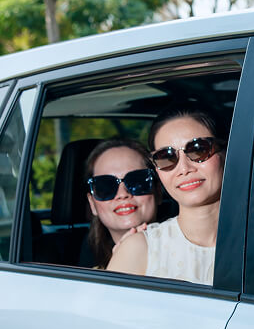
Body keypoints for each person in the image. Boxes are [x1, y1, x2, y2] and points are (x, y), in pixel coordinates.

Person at [107, 103, 226, 284]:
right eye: (166, 157)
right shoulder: (140, 250)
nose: (184, 168)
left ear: (225, 152)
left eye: (198, 149)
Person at [82, 138, 159, 269]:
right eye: (105, 186)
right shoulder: (81, 275)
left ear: (158, 192)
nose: (123, 194)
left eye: (137, 181)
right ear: (92, 204)